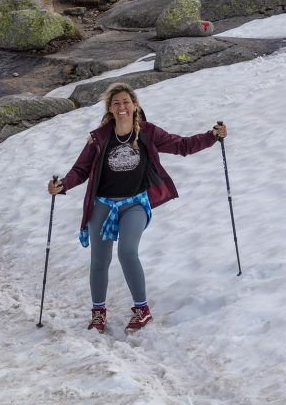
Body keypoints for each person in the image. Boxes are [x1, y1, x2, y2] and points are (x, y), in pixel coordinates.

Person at [47, 82, 226, 333]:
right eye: (116, 102)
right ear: (110, 108)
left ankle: (142, 310)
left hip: (135, 204)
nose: (122, 107)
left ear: (135, 105)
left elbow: (182, 146)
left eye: (126, 102)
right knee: (100, 259)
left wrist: (212, 136)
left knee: (127, 251)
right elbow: (81, 170)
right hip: (103, 204)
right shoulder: (99, 138)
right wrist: (63, 184)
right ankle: (98, 313)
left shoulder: (148, 133)